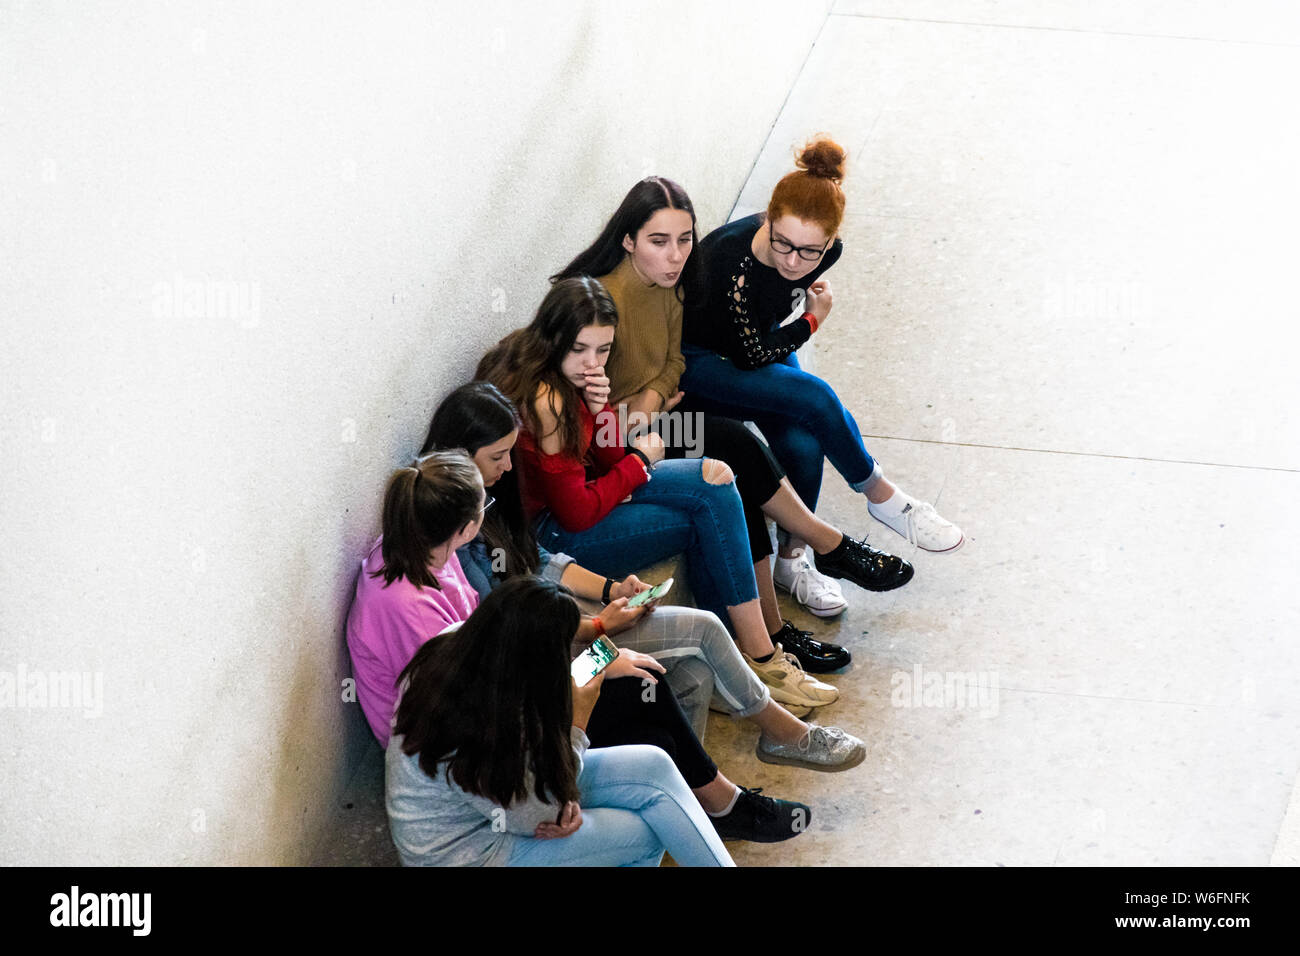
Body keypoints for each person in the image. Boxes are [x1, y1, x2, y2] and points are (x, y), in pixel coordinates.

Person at [344, 449, 835, 844]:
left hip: (505, 690)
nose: (508, 470)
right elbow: (521, 772)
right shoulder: (414, 612)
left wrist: (600, 632)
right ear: (466, 527)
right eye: (498, 461)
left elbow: (507, 643)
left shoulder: (431, 554)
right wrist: (586, 681)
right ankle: (723, 799)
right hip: (489, 727)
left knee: (647, 679)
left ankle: (725, 794)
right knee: (636, 695)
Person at [422, 381, 868, 775]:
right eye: (497, 457)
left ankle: (712, 794)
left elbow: (537, 558)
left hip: (558, 630)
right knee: (703, 630)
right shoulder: (454, 539)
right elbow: (506, 631)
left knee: (693, 673)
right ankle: (784, 735)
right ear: (461, 456)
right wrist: (598, 629)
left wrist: (612, 591)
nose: (506, 468)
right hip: (546, 661)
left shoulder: (486, 503)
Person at [475, 278, 852, 718]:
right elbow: (576, 513)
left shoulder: (564, 371)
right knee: (705, 512)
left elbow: (604, 457)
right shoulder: (548, 398)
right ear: (554, 333)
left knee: (717, 475)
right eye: (580, 349)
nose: (592, 363)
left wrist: (601, 416)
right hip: (551, 533)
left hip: (586, 498)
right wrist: (638, 460)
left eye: (602, 350)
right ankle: (760, 660)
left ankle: (752, 655)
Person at [551, 174, 914, 626]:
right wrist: (642, 413)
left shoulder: (669, 284)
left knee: (755, 444)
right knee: (736, 448)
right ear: (627, 239)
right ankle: (826, 551)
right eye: (659, 241)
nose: (677, 255)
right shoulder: (601, 302)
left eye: (685, 239)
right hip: (620, 437)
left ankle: (795, 580)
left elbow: (672, 363)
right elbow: (588, 421)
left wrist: (652, 397)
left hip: (659, 414)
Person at [680, 136, 965, 559]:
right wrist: (811, 321)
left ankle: (793, 559)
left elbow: (763, 336)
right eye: (783, 243)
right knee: (814, 396)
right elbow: (751, 356)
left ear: (831, 242)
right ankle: (882, 496)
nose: (794, 261)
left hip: (757, 340)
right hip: (700, 361)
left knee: (803, 443)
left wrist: (789, 326)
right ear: (768, 219)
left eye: (810, 250)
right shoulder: (730, 262)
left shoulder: (827, 251)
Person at [385, 576, 735, 866]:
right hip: (471, 849)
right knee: (644, 833)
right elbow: (540, 818)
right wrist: (578, 727)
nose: (571, 650)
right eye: (563, 646)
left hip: (505, 798)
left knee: (655, 761)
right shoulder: (470, 725)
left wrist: (603, 657)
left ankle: (727, 811)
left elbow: (544, 687)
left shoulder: (462, 644)